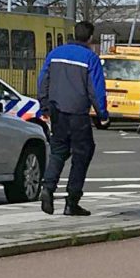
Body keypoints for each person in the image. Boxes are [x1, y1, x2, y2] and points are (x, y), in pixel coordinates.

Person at [36, 21, 108, 216]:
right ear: (90, 38)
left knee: (58, 151)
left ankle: (47, 188)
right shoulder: (90, 58)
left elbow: (43, 80)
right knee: (82, 154)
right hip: (78, 113)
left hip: (57, 111)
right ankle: (72, 201)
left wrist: (45, 104)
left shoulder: (55, 53)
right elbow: (96, 89)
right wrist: (102, 114)